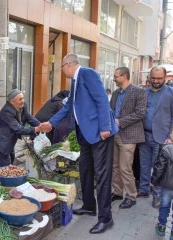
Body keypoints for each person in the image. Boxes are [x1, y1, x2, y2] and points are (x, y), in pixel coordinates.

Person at [42, 54, 118, 234]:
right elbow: (69, 107)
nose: (62, 70)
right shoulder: (75, 81)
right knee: (85, 170)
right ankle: (89, 206)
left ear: (67, 65)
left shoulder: (87, 74)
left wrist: (105, 127)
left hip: (100, 134)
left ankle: (106, 219)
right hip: (85, 134)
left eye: (62, 67)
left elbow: (102, 100)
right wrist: (51, 123)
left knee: (102, 176)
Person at [138, 66, 173, 209]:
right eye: (154, 78)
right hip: (144, 134)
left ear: (165, 78)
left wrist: (172, 136)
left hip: (162, 137)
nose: (156, 81)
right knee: (144, 165)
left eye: (159, 78)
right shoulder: (143, 92)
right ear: (150, 77)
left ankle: (157, 194)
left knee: (158, 168)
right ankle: (144, 189)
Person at [110, 67, 147, 209]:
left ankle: (131, 196)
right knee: (115, 166)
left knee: (125, 167)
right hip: (115, 134)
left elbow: (140, 113)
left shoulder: (139, 92)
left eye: (116, 76)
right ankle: (118, 192)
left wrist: (120, 121)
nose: (113, 78)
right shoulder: (114, 93)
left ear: (124, 76)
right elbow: (110, 110)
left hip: (130, 136)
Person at [0, 89, 41, 167]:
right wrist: (35, 129)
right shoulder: (7, 111)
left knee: (12, 158)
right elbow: (18, 129)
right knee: (5, 165)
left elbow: (29, 118)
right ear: (12, 102)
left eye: (23, 98)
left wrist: (41, 126)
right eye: (20, 99)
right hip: (1, 140)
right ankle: (3, 178)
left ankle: (8, 172)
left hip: (10, 139)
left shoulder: (23, 106)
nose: (22, 101)